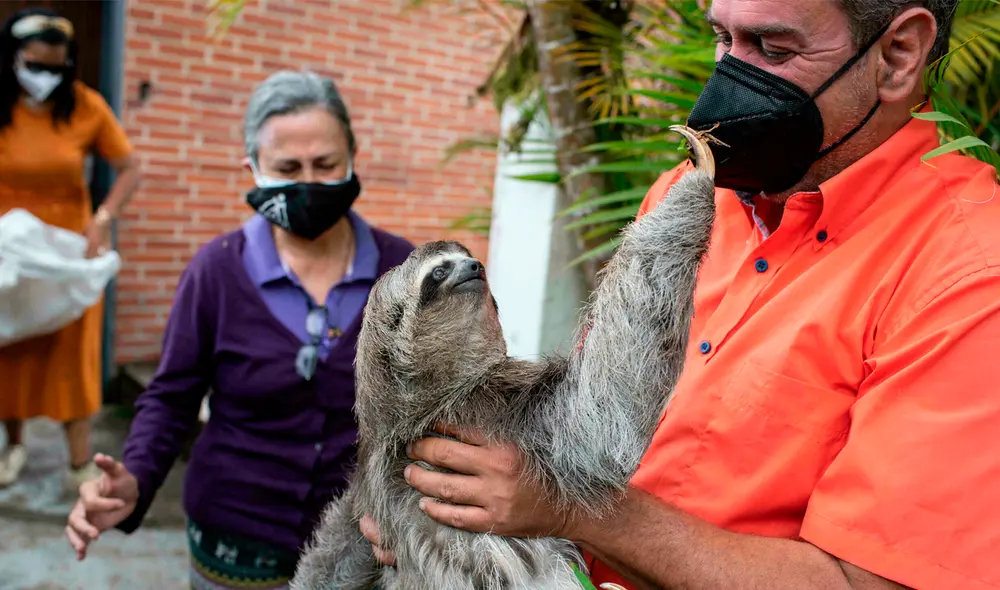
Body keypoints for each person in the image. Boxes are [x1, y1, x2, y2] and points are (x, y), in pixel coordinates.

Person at [365, 1, 1000, 589]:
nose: (728, 76)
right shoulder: (687, 196)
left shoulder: (968, 269)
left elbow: (869, 582)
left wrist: (571, 508)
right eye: (721, 37)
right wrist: (434, 510)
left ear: (898, 54)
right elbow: (587, 418)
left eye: (773, 49)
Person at [64, 70, 415, 590]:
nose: (309, 182)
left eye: (326, 164)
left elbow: (429, 404)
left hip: (363, 541)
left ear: (353, 157)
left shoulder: (402, 272)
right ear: (252, 169)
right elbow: (172, 397)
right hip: (234, 540)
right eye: (287, 167)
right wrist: (134, 478)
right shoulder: (216, 271)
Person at [0, 9, 141, 489]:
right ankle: (12, 446)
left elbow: (129, 168)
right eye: (34, 64)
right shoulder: (3, 106)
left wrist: (103, 218)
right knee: (9, 347)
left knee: (70, 356)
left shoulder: (84, 107)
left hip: (66, 252)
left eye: (55, 67)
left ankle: (80, 461)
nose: (44, 76)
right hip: (10, 253)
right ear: (13, 58)